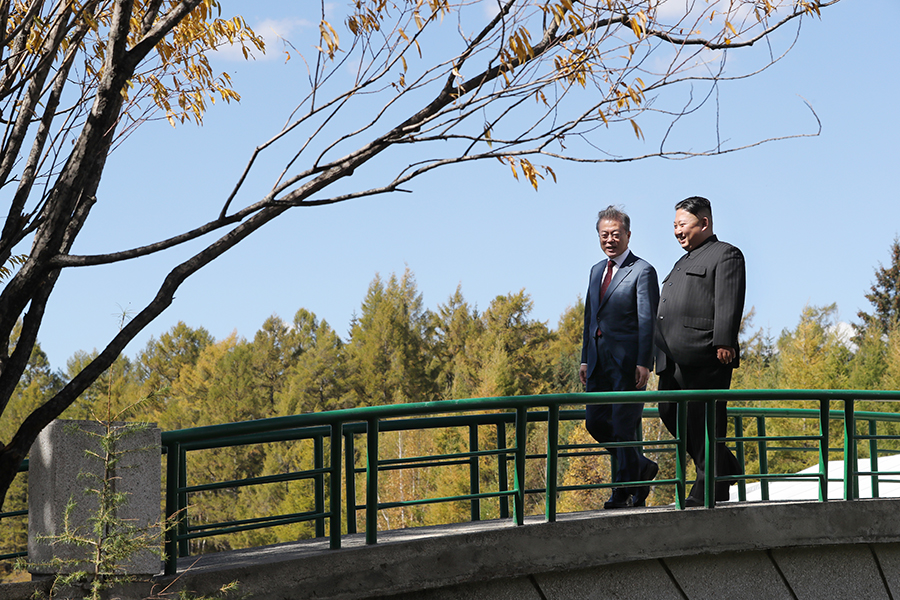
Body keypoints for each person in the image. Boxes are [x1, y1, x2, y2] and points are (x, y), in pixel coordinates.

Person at [655, 196, 746, 507]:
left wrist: (724, 340)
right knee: (668, 411)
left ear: (704, 223)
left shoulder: (725, 254)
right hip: (670, 357)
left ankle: (708, 487)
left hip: (705, 352)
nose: (678, 232)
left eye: (683, 225)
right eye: (675, 226)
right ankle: (725, 467)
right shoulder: (683, 261)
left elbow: (728, 299)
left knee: (704, 420)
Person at [580, 205, 660, 509]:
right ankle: (641, 467)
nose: (609, 239)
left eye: (615, 234)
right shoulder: (596, 270)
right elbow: (591, 317)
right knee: (595, 422)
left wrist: (644, 362)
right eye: (604, 234)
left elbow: (647, 320)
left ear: (628, 234)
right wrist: (585, 359)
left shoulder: (642, 271)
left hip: (628, 364)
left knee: (623, 426)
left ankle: (623, 489)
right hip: (598, 362)